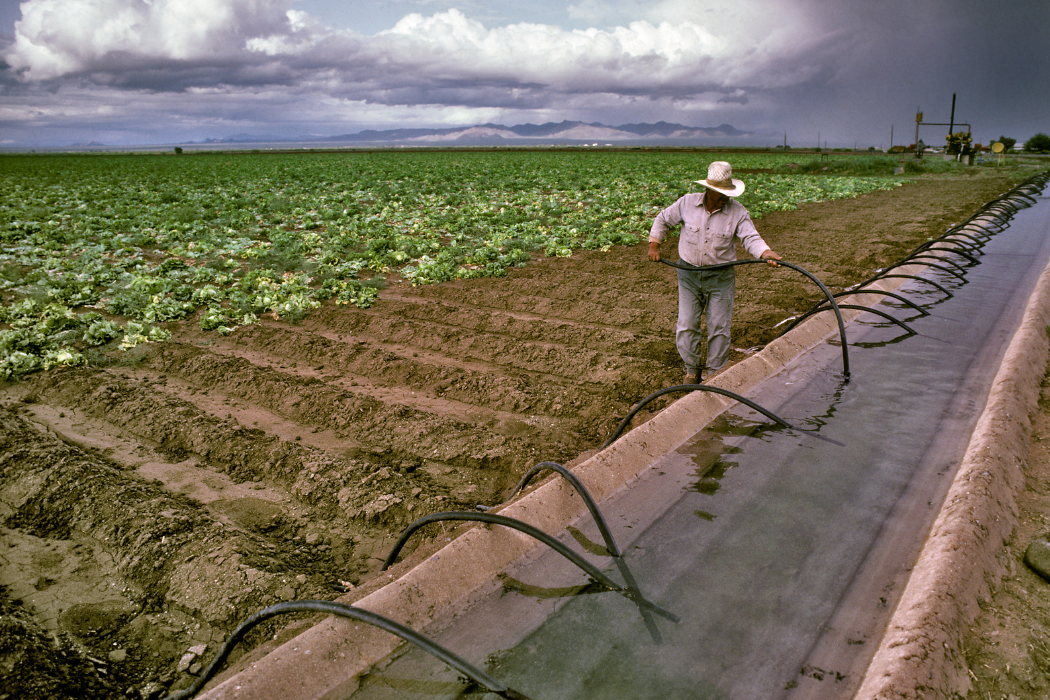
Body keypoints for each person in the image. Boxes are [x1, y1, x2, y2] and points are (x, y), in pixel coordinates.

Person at [647, 161, 782, 383]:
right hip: (688, 274)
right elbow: (663, 219)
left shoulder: (737, 212)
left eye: (727, 194)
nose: (724, 198)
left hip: (721, 276)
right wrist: (655, 244)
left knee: (719, 326)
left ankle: (714, 375)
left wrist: (765, 252)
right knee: (687, 324)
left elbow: (750, 237)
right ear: (708, 190)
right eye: (720, 193)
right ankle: (692, 371)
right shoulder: (687, 203)